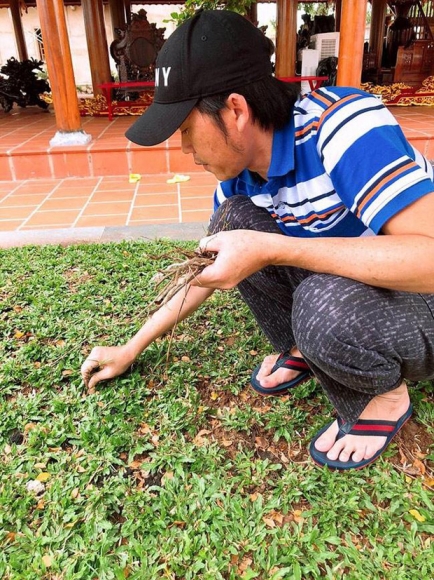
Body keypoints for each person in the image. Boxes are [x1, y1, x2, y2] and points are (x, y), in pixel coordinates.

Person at [81, 10, 434, 471]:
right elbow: (209, 271)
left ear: (236, 110)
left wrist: (274, 248)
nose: (186, 152)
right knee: (232, 224)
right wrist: (131, 347)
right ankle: (302, 348)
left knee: (319, 301)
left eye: (186, 131)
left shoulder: (343, 127)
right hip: (357, 288)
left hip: (419, 299)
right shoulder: (238, 179)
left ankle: (384, 397)